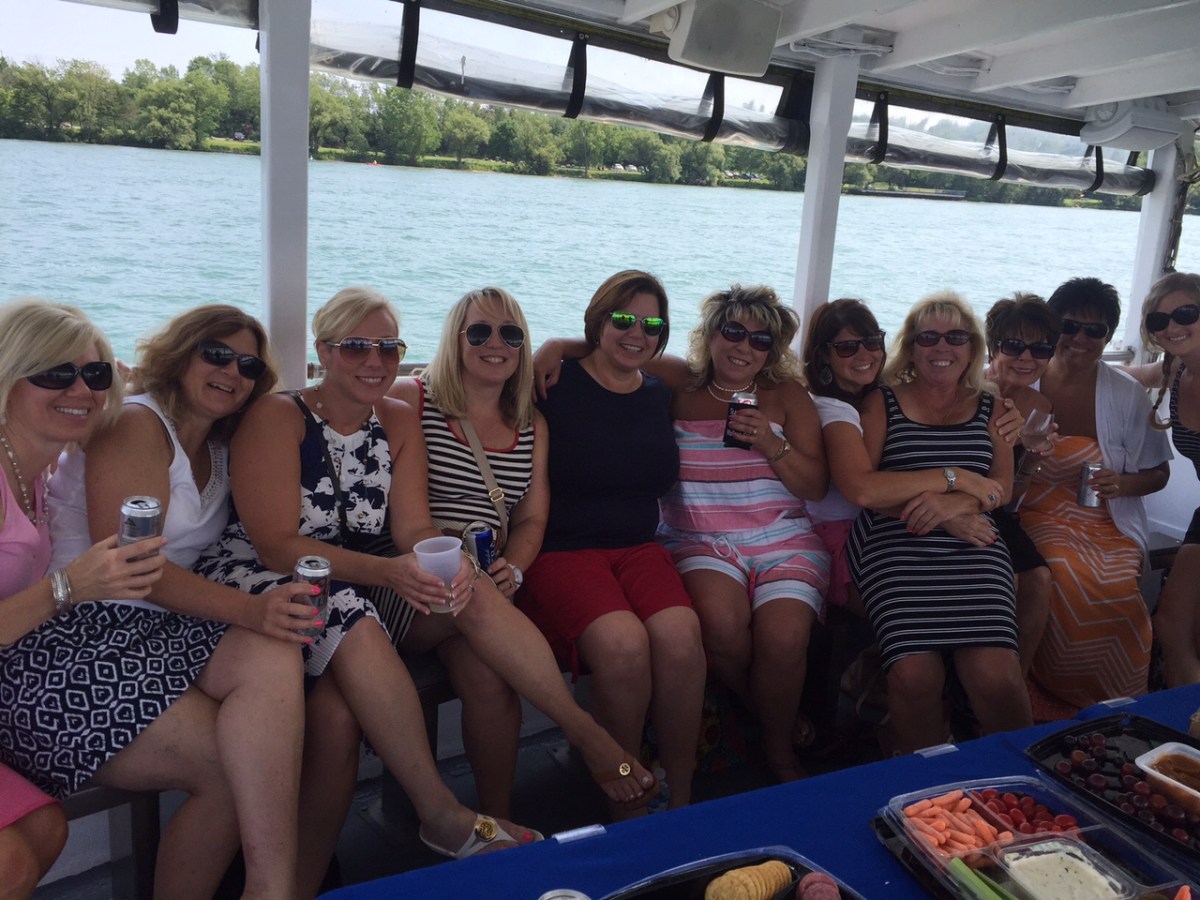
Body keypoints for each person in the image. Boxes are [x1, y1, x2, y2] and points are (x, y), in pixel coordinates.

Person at [197, 287, 652, 875]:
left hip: (364, 582)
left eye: (388, 348)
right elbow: (276, 544)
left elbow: (411, 526)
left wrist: (443, 567)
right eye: (356, 346)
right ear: (323, 351)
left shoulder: (398, 417)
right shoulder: (277, 416)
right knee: (341, 689)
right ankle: (449, 810)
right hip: (274, 579)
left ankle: (576, 744)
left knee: (454, 598)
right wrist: (395, 571)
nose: (375, 361)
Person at [1, 300, 308, 900]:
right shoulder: (132, 426)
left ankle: (275, 889)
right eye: (215, 354)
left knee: (274, 653)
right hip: (57, 645)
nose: (80, 390)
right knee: (226, 768)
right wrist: (69, 588)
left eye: (93, 376)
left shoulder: (32, 464)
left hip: (128, 630)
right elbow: (135, 570)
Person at [537, 284, 827, 782]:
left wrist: (769, 443)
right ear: (711, 334)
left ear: (773, 350)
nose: (743, 346)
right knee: (718, 624)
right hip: (699, 536)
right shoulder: (679, 381)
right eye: (732, 331)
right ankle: (765, 714)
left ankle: (777, 750)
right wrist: (552, 347)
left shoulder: (787, 397)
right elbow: (619, 346)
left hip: (781, 538)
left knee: (784, 638)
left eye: (760, 340)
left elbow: (816, 486)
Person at [525, 270, 706, 809]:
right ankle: (624, 787)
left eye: (652, 323)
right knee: (624, 647)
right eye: (623, 319)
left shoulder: (659, 388)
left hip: (638, 547)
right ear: (598, 320)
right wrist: (555, 346)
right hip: (561, 548)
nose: (637, 333)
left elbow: (723, 373)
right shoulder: (555, 384)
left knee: (682, 636)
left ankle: (683, 792)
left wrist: (565, 341)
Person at [841, 291, 1031, 753]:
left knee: (998, 677)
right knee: (913, 675)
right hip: (895, 540)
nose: (941, 348)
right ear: (911, 345)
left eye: (955, 337)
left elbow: (998, 489)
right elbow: (868, 491)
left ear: (971, 349)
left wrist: (954, 508)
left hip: (975, 542)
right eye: (928, 337)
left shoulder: (994, 408)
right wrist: (949, 496)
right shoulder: (881, 403)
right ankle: (927, 786)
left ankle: (1028, 776)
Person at [386, 287, 546, 818]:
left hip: (481, 591)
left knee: (490, 679)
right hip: (409, 584)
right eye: (479, 331)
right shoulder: (414, 398)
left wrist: (515, 569)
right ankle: (591, 739)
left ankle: (496, 824)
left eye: (511, 334)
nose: (495, 343)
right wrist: (463, 573)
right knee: (471, 594)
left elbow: (531, 518)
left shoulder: (531, 424)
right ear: (455, 340)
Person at [1022, 277, 1171, 719]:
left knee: (1120, 587)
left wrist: (1122, 485)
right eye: (1070, 326)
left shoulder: (1125, 394)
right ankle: (1039, 698)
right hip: (1034, 508)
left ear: (1109, 336)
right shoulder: (1022, 380)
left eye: (1096, 330)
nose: (1082, 339)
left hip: (1106, 517)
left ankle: (1110, 703)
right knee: (1062, 572)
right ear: (1052, 328)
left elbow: (1159, 472)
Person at [1126, 272, 1200, 687]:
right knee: (1172, 624)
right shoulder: (1175, 370)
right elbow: (1121, 377)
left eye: (1185, 313)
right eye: (1159, 321)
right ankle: (1186, 731)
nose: (1172, 327)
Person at [983, 293, 1060, 674]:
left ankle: (1016, 685)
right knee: (1006, 580)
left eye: (1040, 348)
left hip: (997, 511)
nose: (1027, 358)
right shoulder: (968, 391)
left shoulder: (1038, 407)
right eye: (1014, 346)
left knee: (1039, 579)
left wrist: (1031, 459)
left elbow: (1012, 498)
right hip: (951, 503)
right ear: (992, 346)